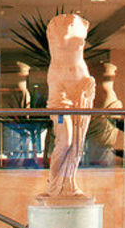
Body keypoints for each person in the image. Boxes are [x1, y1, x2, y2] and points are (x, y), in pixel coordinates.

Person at [39, 13, 95, 199]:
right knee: (66, 140)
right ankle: (54, 184)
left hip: (81, 88)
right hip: (60, 93)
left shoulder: (82, 25)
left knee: (78, 141)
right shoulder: (55, 26)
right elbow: (63, 42)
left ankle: (69, 183)